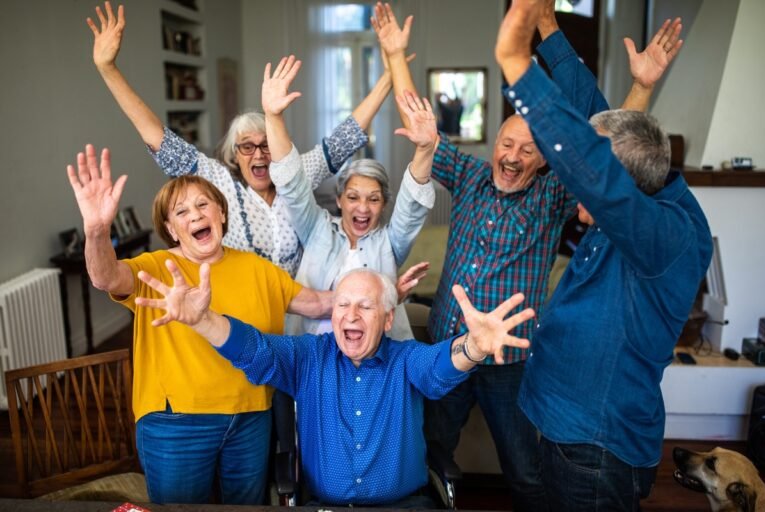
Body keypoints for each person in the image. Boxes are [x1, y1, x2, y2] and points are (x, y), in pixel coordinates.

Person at [371, 2, 684, 509]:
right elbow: (421, 122)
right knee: (429, 450)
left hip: (509, 359)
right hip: (448, 346)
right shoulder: (470, 175)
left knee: (524, 469)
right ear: (495, 141)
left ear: (544, 160)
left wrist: (642, 87)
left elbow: (608, 151)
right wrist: (395, 54)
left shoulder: (553, 196)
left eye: (529, 151)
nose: (514, 157)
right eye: (508, 144)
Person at [494, 1, 712, 510]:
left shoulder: (669, 235)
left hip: (594, 450)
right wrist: (548, 26)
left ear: (625, 189)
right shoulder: (645, 178)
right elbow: (593, 121)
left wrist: (517, 63)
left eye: (587, 188)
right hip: (555, 422)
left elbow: (594, 165)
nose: (576, 200)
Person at [132, 263, 536, 507]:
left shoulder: (405, 359)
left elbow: (439, 367)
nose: (351, 315)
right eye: (342, 304)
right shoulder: (309, 357)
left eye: (365, 305)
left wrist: (474, 346)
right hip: (323, 506)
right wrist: (203, 321)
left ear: (387, 315)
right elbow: (254, 350)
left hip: (404, 507)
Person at [66, 144, 333, 505]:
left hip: (251, 418)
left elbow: (318, 304)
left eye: (203, 204)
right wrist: (97, 231)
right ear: (172, 229)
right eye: (181, 211)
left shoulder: (258, 269)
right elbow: (105, 277)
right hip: (176, 424)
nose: (195, 214)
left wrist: (382, 292)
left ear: (221, 213)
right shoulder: (157, 266)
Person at [87, 2, 392, 277]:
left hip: (297, 314)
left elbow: (346, 136)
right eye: (247, 146)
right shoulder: (216, 182)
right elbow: (158, 138)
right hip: (244, 316)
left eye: (266, 145)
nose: (258, 154)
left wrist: (392, 71)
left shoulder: (296, 173)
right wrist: (107, 68)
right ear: (235, 154)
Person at [262, 55, 436, 340]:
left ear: (383, 205)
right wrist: (273, 117)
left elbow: (412, 205)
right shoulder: (317, 228)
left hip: (375, 359)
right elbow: (292, 183)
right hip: (315, 354)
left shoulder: (389, 243)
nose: (363, 208)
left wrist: (425, 149)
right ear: (339, 199)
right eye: (353, 197)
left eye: (374, 199)